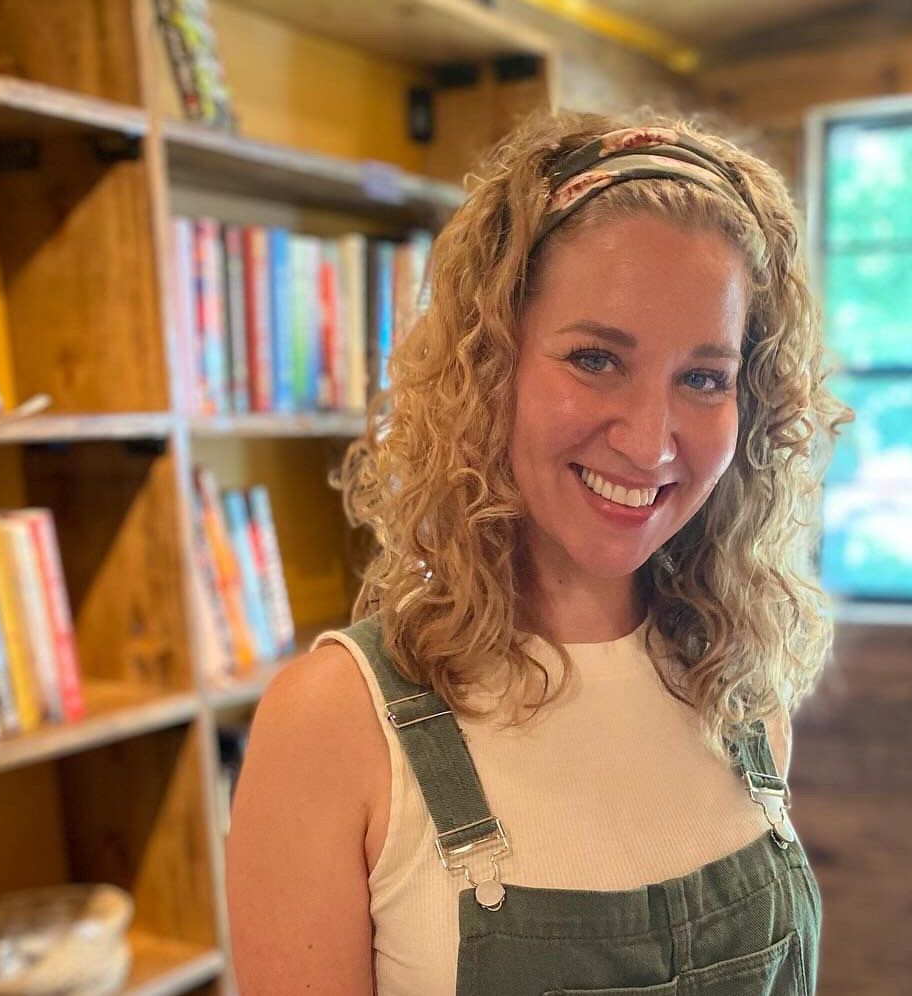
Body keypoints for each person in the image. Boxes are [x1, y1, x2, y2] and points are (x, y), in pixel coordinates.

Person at [225, 106, 849, 995]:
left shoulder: (740, 690)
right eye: (596, 358)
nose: (648, 441)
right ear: (493, 368)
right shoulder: (335, 728)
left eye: (703, 378)